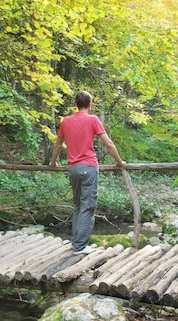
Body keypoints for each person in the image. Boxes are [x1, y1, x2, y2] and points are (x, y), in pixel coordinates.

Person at [49, 91, 125, 254]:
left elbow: (57, 145)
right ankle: (80, 246)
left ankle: (76, 242)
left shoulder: (66, 121)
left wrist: (53, 162)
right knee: (87, 207)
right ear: (90, 104)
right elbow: (109, 144)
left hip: (73, 169)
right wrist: (119, 162)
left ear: (76, 105)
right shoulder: (92, 120)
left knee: (78, 206)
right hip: (88, 168)